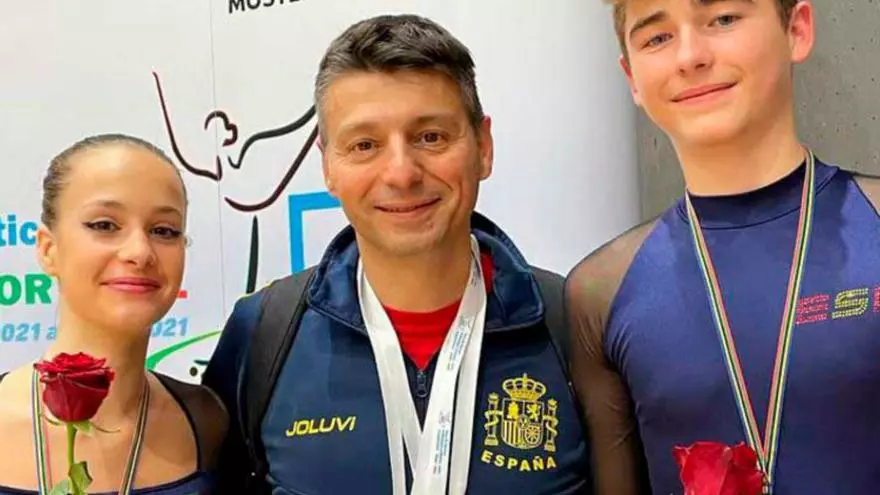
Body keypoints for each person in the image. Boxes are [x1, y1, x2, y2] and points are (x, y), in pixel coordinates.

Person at [202, 13, 592, 495]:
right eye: (364, 145)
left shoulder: (577, 328)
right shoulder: (262, 334)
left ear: (483, 146)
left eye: (431, 137)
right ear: (328, 165)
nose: (402, 173)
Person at [565, 0, 880, 493]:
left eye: (723, 19)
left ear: (796, 29)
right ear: (632, 78)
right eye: (657, 38)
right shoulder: (601, 292)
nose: (690, 56)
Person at [0, 134, 228, 494]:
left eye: (164, 231)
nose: (140, 252)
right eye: (104, 225)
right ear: (48, 249)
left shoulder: (210, 423)